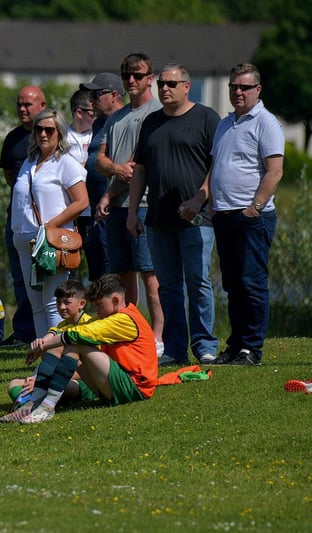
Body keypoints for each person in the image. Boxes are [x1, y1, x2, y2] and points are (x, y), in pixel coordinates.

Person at [180, 63, 284, 366]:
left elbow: (274, 172)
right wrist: (206, 199)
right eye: (233, 87)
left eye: (244, 87)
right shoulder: (226, 123)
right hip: (223, 215)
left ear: (257, 90)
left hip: (251, 217)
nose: (237, 92)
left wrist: (256, 207)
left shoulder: (266, 123)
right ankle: (236, 345)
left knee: (252, 282)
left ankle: (252, 348)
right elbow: (216, 168)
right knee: (233, 284)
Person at [127, 64, 220, 366]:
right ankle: (175, 348)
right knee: (168, 286)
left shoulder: (206, 118)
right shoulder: (151, 123)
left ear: (186, 86)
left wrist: (199, 197)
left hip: (197, 220)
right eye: (161, 84)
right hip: (158, 219)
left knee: (198, 282)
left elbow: (216, 165)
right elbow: (139, 170)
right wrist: (132, 212)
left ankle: (204, 344)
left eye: (171, 83)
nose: (164, 89)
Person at [11, 274, 158, 424]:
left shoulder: (124, 319)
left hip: (135, 389)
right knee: (14, 385)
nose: (96, 309)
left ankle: (46, 406)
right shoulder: (110, 317)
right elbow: (64, 329)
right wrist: (45, 341)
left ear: (115, 301)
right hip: (114, 387)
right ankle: (34, 402)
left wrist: (43, 345)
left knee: (76, 343)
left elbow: (78, 333)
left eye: (99, 304)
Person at [95, 53, 164, 355]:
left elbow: (138, 164)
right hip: (118, 205)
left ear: (151, 77)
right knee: (123, 273)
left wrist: (111, 187)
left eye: (137, 75)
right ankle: (132, 330)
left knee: (151, 274)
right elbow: (101, 160)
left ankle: (159, 337)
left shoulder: (157, 112)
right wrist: (114, 175)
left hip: (146, 204)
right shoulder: (115, 117)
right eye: (126, 76)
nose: (131, 81)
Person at [10, 108, 89, 336]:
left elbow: (82, 201)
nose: (43, 134)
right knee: (36, 306)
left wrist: (51, 226)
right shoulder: (29, 162)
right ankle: (44, 358)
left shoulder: (66, 162)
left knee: (55, 304)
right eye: (38, 129)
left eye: (49, 129)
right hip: (25, 241)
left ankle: (55, 357)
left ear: (59, 132)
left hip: (51, 244)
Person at [0, 279, 91, 423]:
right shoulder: (62, 325)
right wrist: (38, 349)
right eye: (58, 302)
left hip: (83, 383)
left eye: (67, 303)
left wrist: (40, 380)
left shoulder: (89, 326)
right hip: (58, 378)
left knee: (47, 380)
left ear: (81, 304)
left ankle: (39, 406)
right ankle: (29, 406)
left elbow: (85, 369)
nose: (61, 307)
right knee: (14, 384)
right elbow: (51, 336)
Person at [0, 85, 47, 347]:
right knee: (20, 276)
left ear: (42, 105)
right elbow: (9, 176)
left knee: (46, 274)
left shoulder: (51, 136)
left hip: (46, 220)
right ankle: (24, 331)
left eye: (28, 104)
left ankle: (47, 330)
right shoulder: (13, 138)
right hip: (16, 218)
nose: (22, 109)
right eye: (19, 104)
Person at [79, 73, 127, 281]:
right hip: (94, 211)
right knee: (98, 274)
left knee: (115, 274)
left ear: (114, 95)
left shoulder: (126, 121)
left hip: (115, 209)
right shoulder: (99, 124)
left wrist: (108, 195)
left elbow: (128, 169)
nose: (91, 101)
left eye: (96, 94)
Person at [66, 90, 97, 253]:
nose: (96, 116)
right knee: (68, 258)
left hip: (93, 207)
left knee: (96, 260)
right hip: (69, 209)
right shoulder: (61, 136)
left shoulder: (98, 135)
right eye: (93, 112)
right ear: (79, 112)